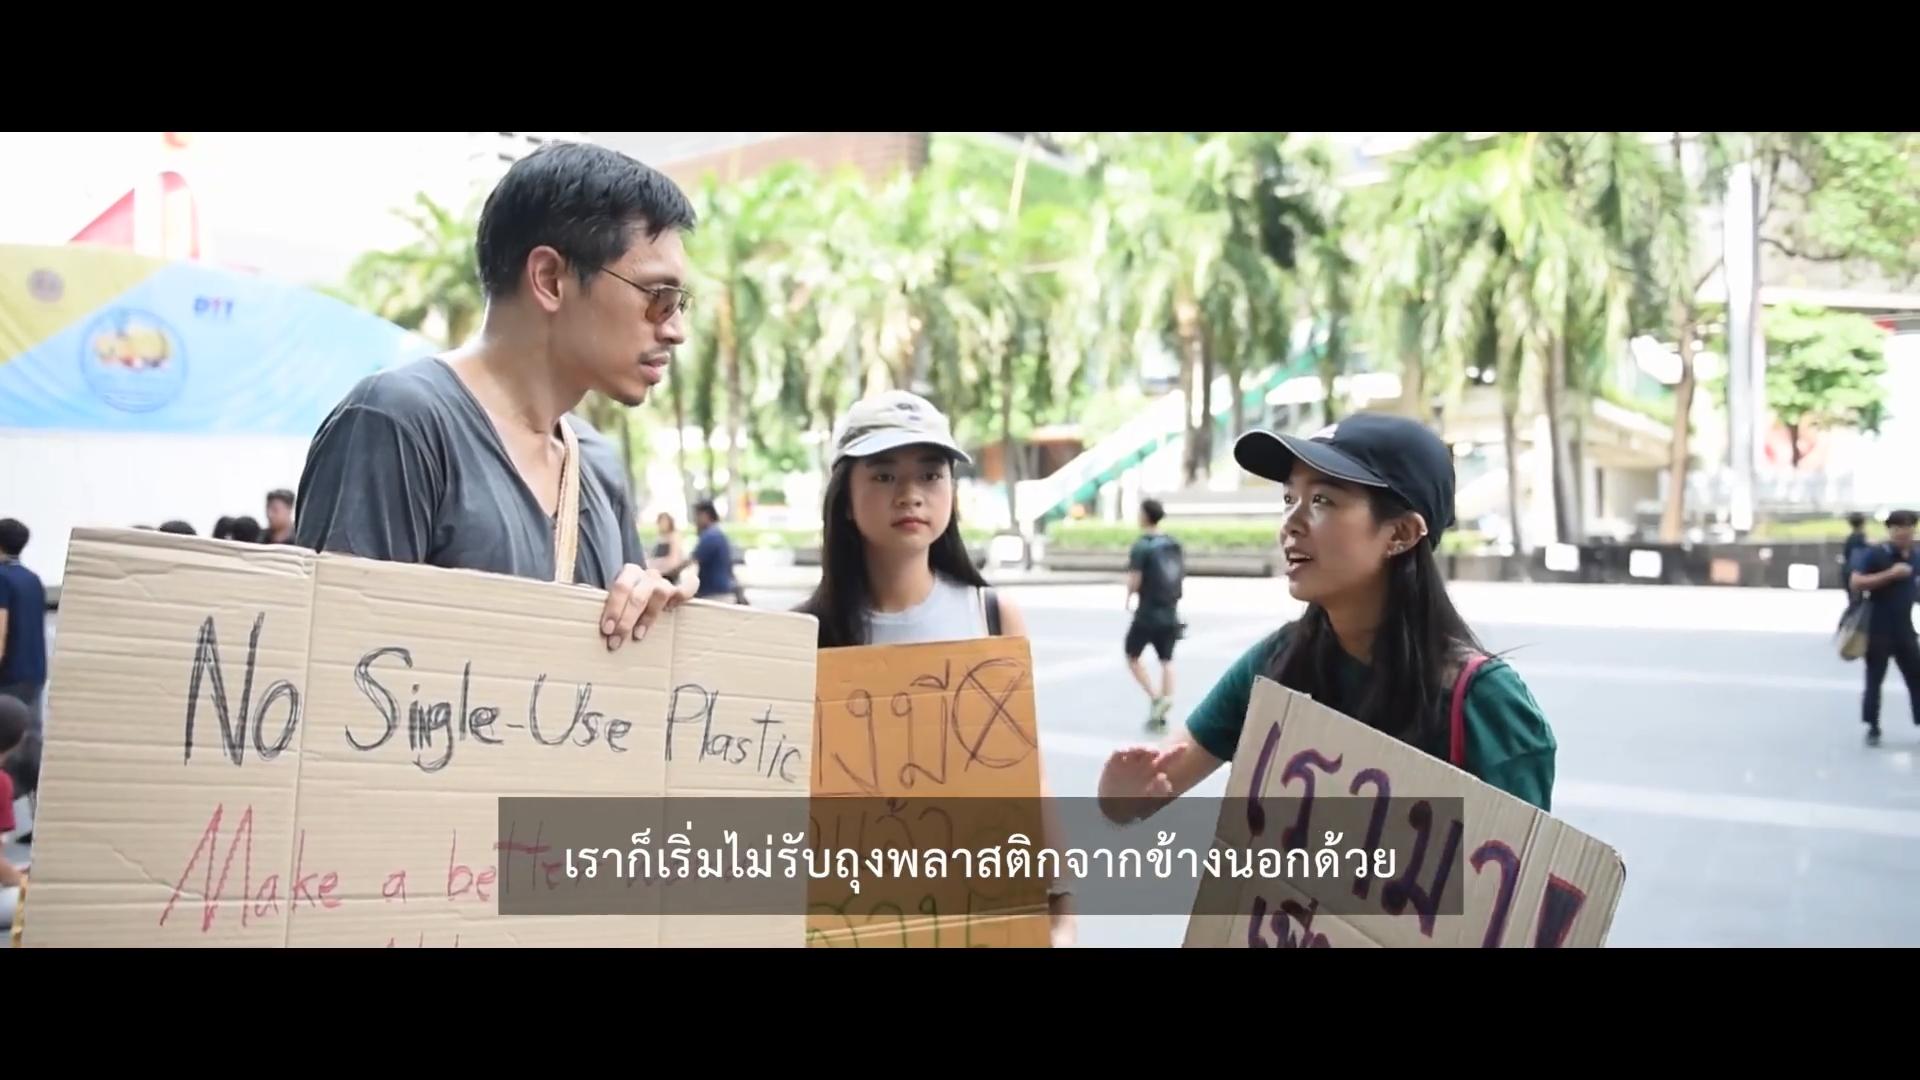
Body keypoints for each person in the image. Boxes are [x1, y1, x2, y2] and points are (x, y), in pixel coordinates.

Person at [294, 140, 695, 650]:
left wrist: (648, 618)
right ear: (550, 278)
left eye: (681, 303)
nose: (676, 330)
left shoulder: (597, 467)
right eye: (659, 298)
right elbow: (336, 666)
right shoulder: (397, 423)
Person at [1098, 413, 1557, 828]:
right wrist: (1120, 795)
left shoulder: (1488, 708)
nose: (1291, 523)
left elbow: (1517, 905)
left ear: (1401, 533)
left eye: (1322, 500)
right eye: (1288, 499)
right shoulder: (1275, 665)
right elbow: (1152, 788)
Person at [796, 390, 1075, 946]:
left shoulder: (992, 617)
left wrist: (1062, 914)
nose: (910, 495)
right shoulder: (802, 638)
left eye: (930, 475)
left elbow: (1030, 782)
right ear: (845, 499)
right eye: (883, 476)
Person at [1849, 509, 1919, 746]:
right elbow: (1856, 582)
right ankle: (1872, 725)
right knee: (1874, 678)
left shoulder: (1916, 557)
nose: (1903, 532)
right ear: (1890, 531)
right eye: (1897, 528)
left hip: (1905, 628)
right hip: (1878, 627)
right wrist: (1890, 574)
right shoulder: (1876, 554)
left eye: (1908, 527)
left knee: (1916, 677)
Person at [1125, 498, 1184, 730]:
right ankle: (1165, 702)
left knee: (1132, 655)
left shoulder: (1142, 546)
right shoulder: (1172, 543)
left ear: (1145, 516)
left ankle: (1156, 697)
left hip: (1147, 612)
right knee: (1167, 660)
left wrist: (1128, 597)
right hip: (1170, 611)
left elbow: (1135, 579)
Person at [0, 519, 48, 733]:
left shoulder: (2, 578)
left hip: (9, 675)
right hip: (34, 671)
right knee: (29, 736)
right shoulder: (33, 579)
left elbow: (1, 628)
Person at [664, 500, 737, 602]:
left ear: (705, 515)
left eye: (697, 516)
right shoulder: (717, 533)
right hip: (721, 590)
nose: (696, 521)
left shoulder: (710, 536)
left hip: (715, 594)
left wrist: (668, 575)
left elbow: (691, 560)